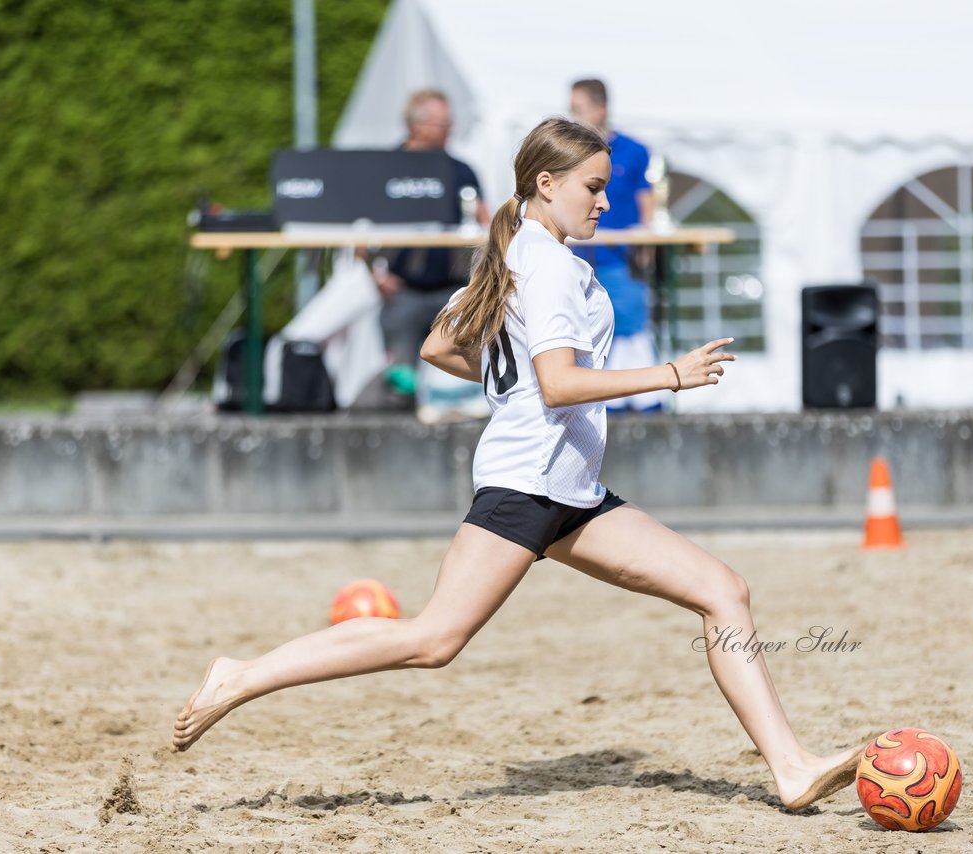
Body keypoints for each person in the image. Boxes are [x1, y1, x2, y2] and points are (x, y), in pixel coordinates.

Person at [174, 117, 865, 811]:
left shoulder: (518, 255)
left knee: (722, 589)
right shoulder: (548, 266)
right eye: (593, 188)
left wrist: (510, 383)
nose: (604, 202)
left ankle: (791, 766)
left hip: (571, 490)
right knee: (432, 638)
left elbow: (441, 345)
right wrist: (668, 376)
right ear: (546, 183)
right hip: (527, 484)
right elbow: (559, 383)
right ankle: (241, 675)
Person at [374, 89, 491, 375]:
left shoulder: (461, 170)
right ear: (417, 125)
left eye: (450, 122)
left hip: (453, 289)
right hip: (403, 289)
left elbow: (485, 220)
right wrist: (375, 276)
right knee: (401, 375)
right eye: (442, 123)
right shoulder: (384, 168)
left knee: (457, 373)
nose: (449, 130)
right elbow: (363, 227)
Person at [569, 78, 662, 412]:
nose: (573, 116)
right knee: (587, 335)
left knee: (629, 328)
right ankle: (602, 403)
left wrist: (645, 247)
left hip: (620, 258)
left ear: (600, 108)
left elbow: (646, 201)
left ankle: (645, 403)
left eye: (578, 109)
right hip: (579, 257)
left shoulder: (634, 151)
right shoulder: (571, 153)